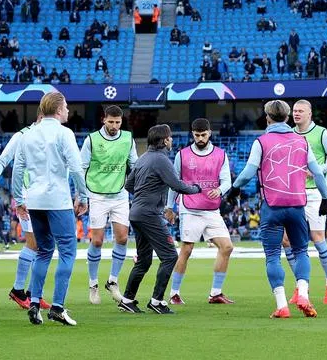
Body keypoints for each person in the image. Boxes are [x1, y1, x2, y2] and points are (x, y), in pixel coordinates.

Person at [227, 99, 327, 319]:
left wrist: (234, 189)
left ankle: (282, 305)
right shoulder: (302, 142)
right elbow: (319, 174)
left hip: (272, 206)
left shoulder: (261, 141)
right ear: (287, 117)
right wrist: (326, 198)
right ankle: (303, 293)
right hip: (297, 205)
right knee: (301, 251)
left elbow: (248, 172)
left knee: (273, 255)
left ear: (267, 118)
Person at [13, 91, 88, 326]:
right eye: (65, 106)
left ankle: (34, 303)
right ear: (57, 109)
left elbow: (17, 169)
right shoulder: (64, 133)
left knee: (44, 251)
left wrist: (18, 198)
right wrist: (83, 195)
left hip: (35, 200)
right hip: (57, 200)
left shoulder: (28, 134)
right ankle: (57, 306)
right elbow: (76, 169)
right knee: (67, 251)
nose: (68, 110)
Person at [117, 124, 201, 315]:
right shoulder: (161, 159)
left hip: (137, 213)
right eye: (170, 137)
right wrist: (197, 189)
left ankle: (127, 299)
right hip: (149, 215)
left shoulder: (142, 159)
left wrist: (145, 193)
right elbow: (177, 185)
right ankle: (157, 300)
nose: (171, 140)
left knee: (144, 261)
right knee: (170, 256)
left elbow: (129, 185)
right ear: (164, 140)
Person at [167, 118, 234, 305]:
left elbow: (227, 180)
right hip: (190, 208)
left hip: (212, 210)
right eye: (197, 135)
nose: (200, 138)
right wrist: (169, 206)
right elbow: (174, 183)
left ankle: (215, 293)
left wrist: (220, 190)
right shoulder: (183, 155)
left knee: (227, 247)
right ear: (192, 134)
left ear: (209, 133)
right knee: (186, 250)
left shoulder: (221, 154)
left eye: (203, 135)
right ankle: (174, 293)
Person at [0, 111, 47, 311]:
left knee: (43, 245)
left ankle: (33, 294)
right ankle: (19, 291)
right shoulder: (21, 136)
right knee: (35, 243)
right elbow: (3, 160)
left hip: (45, 197)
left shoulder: (51, 136)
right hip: (27, 199)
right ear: (40, 116)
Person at [289, 99, 327, 303]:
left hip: (314, 194)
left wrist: (317, 170)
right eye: (294, 111)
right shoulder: (289, 134)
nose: (296, 114)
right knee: (287, 240)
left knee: (317, 237)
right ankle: (300, 287)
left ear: (310, 113)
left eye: (300, 111)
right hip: (292, 193)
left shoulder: (322, 134)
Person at [80, 104, 138, 305]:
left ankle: (112, 281)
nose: (114, 125)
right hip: (97, 195)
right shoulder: (92, 140)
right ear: (103, 120)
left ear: (121, 121)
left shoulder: (127, 139)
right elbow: (82, 168)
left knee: (122, 238)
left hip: (120, 195)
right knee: (97, 241)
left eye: (118, 122)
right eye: (111, 121)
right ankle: (93, 283)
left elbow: (135, 166)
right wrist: (81, 195)